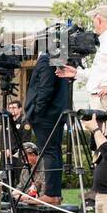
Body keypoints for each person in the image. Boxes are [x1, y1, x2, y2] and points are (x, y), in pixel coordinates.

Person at [55, 4, 107, 116]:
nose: (93, 23)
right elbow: (101, 72)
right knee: (102, 133)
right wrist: (77, 73)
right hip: (104, 100)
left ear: (98, 20)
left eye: (93, 19)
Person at [24, 46, 70, 204]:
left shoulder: (46, 59)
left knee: (49, 153)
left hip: (46, 116)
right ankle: (54, 193)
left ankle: (51, 194)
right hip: (55, 114)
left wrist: (37, 111)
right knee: (54, 152)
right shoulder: (58, 58)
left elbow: (45, 88)